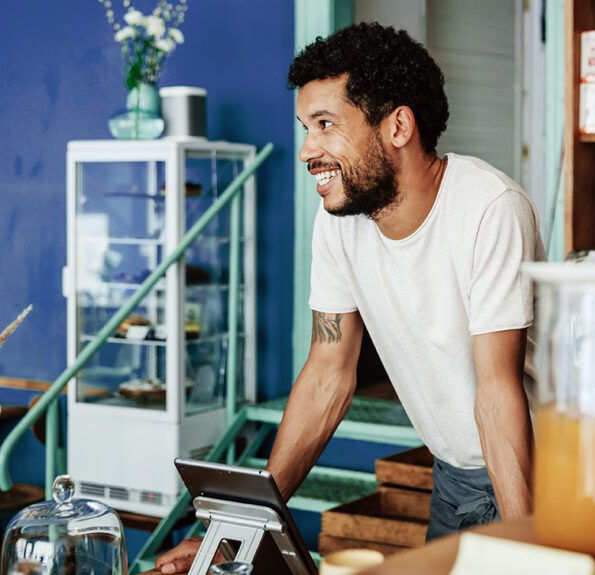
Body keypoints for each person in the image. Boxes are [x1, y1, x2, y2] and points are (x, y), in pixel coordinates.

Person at [156, 22, 544, 574]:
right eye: (305, 128)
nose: (307, 151)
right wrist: (239, 531)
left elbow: (497, 389)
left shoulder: (489, 207)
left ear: (398, 125)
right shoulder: (340, 222)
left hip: (533, 474)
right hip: (454, 476)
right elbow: (327, 372)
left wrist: (529, 543)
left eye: (325, 125)